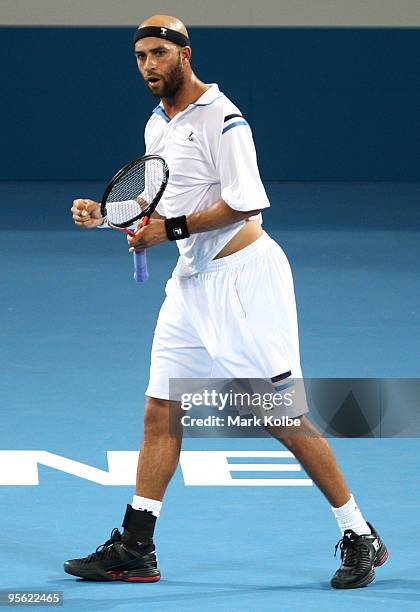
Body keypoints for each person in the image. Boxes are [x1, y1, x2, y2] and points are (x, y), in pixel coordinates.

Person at [65, 14, 387, 589]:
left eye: (159, 54)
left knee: (281, 414)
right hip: (190, 288)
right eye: (140, 57)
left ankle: (359, 532)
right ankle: (137, 546)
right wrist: (106, 216)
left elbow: (246, 201)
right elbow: (154, 199)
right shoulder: (157, 124)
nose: (149, 66)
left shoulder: (223, 117)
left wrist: (172, 231)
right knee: (160, 410)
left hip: (244, 282)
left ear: (186, 54)